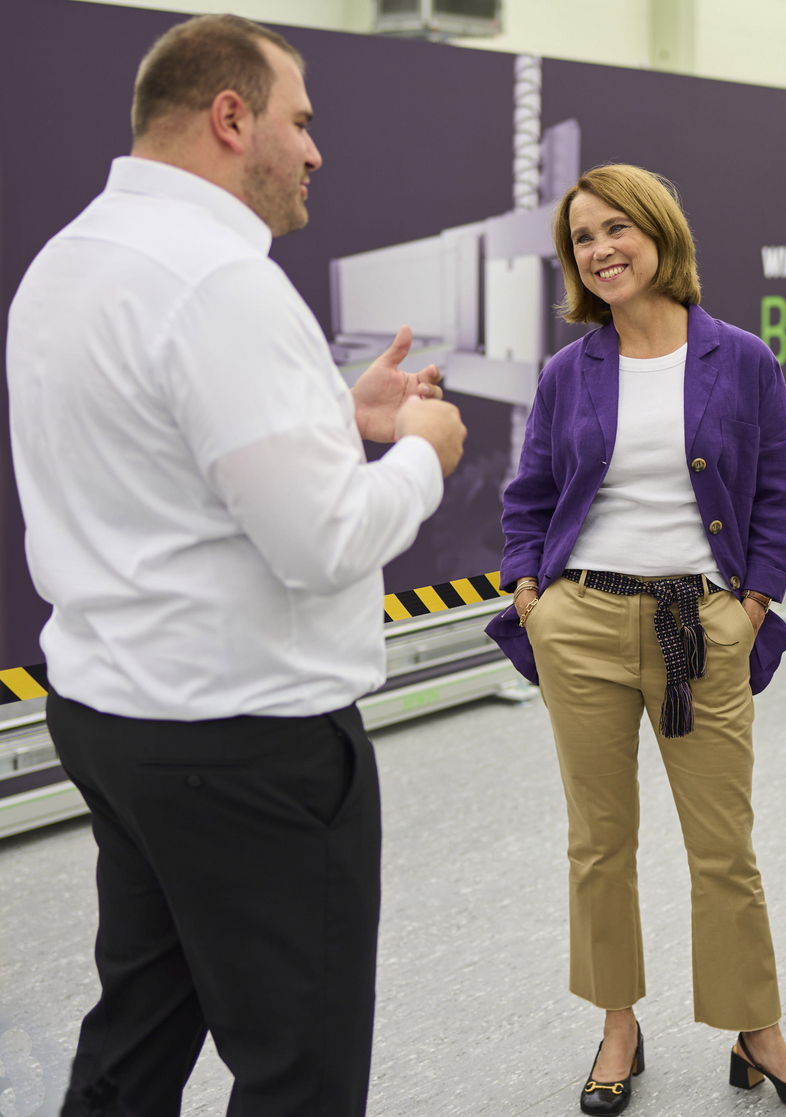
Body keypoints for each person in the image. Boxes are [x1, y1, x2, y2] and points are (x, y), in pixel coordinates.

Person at [5, 15, 466, 1116]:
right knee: (296, 1070)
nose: (314, 151)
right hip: (249, 752)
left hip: (115, 719)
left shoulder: (71, 259)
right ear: (229, 118)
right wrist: (422, 456)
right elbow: (322, 545)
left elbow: (163, 452)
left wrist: (329, 414)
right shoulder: (221, 282)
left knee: (140, 1027)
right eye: (299, 122)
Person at [486, 164, 786, 1116]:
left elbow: (777, 489)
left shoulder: (743, 358)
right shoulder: (569, 373)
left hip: (703, 626)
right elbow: (528, 497)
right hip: (582, 625)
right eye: (581, 239)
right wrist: (531, 590)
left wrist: (754, 600)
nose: (599, 250)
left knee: (723, 844)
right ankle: (617, 1025)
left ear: (658, 232)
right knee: (599, 843)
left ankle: (755, 1029)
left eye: (616, 229)